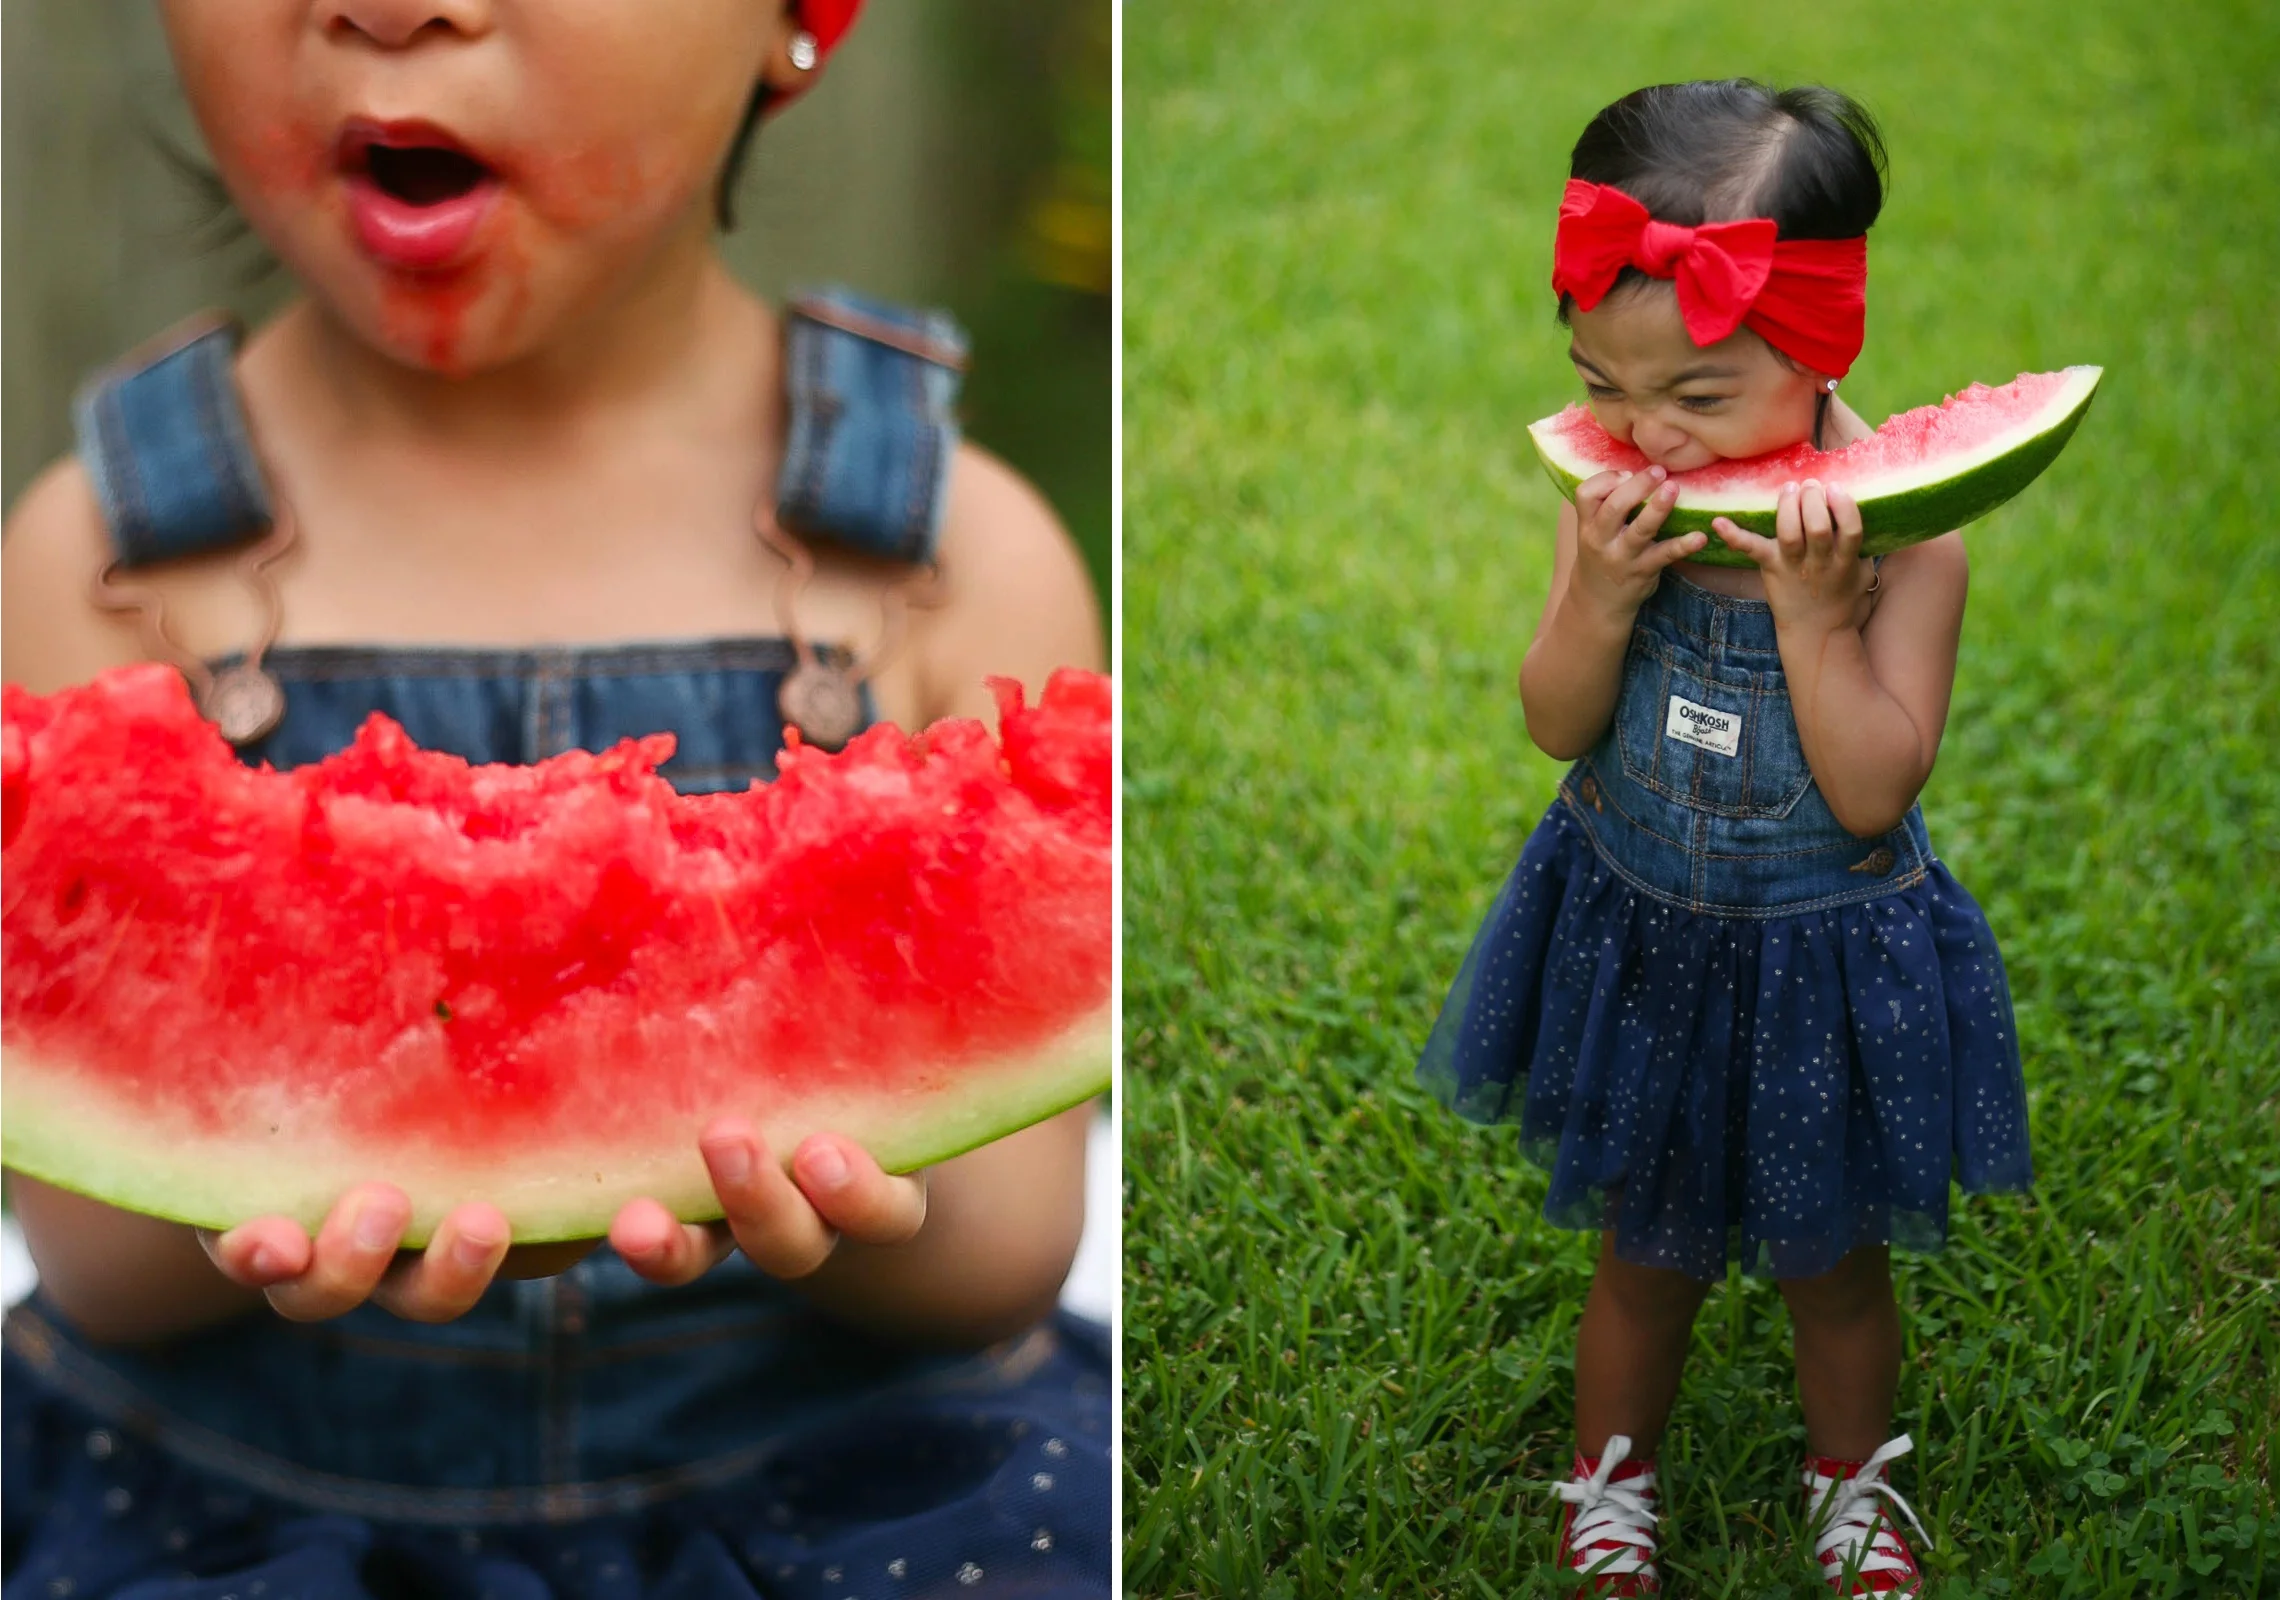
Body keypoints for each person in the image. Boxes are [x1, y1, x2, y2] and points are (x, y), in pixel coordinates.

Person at [0, 1, 1109, 1594]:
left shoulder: (952, 558)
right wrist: (266, 1162)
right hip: (231, 1494)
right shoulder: (96, 560)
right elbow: (95, 1256)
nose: (393, 7)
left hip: (837, 1494)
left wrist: (858, 1197)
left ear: (795, 22)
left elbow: (1005, 1258)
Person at [1416, 80, 2032, 1596]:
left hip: (1823, 949)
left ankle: (1854, 1490)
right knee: (1646, 1256)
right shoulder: (1613, 504)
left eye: (1695, 401)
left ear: (1821, 353)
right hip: (1642, 929)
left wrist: (1822, 626)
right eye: (1600, 387)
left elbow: (1875, 787)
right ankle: (1611, 1482)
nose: (1641, 437)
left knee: (1835, 1274)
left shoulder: (1911, 545)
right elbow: (1555, 721)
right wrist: (1603, 597)